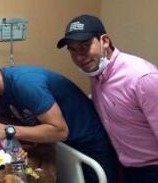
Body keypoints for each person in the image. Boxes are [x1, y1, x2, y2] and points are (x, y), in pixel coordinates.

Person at [0, 50, 118, 183]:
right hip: (64, 146)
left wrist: (8, 130)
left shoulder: (24, 84)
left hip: (89, 143)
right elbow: (27, 120)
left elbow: (60, 131)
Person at [57, 14, 158, 183]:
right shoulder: (98, 74)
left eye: (85, 45)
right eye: (73, 50)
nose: (79, 57)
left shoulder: (142, 78)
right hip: (125, 166)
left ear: (104, 41)